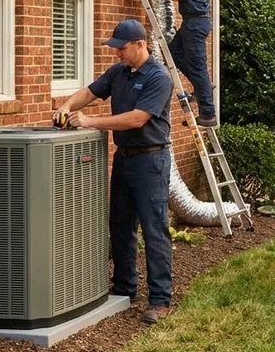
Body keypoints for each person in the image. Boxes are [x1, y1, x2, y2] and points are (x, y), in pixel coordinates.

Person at [53, 18, 175, 324]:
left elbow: (136, 119)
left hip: (151, 161)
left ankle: (160, 300)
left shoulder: (158, 77)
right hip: (124, 159)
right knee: (120, 225)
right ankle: (124, 289)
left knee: (154, 227)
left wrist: (91, 122)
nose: (116, 53)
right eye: (115, 47)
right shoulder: (118, 72)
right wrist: (67, 106)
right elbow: (91, 92)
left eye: (121, 48)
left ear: (140, 44)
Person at [148, 0, 216, 127]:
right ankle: (202, 84)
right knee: (173, 53)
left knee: (198, 67)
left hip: (196, 24)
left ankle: (208, 115)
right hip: (192, 22)